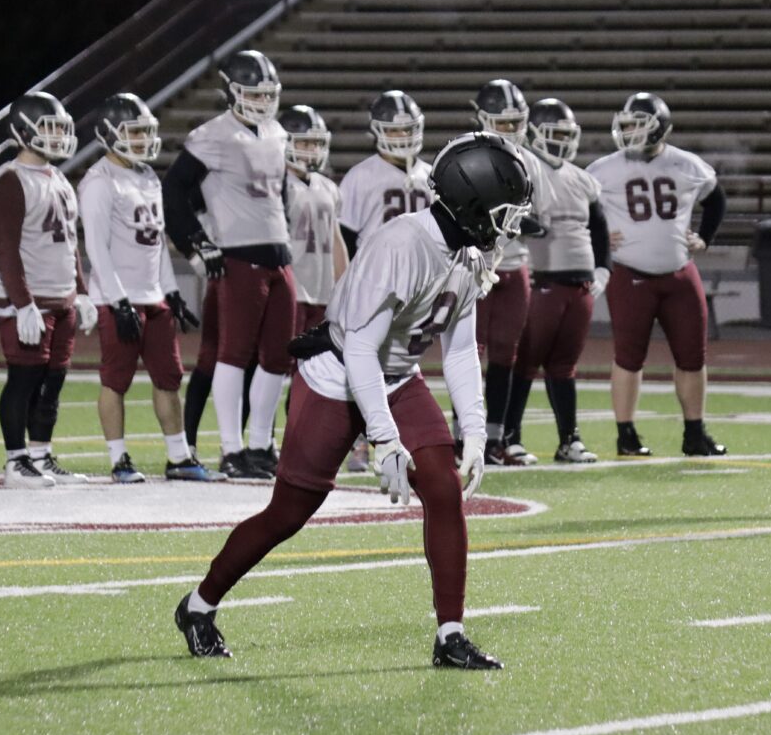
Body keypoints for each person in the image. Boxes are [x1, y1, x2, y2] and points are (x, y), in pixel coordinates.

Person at [173, 132, 532, 668]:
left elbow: (459, 350)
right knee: (289, 513)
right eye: (505, 213)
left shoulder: (465, 253)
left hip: (397, 374)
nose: (511, 227)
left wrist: (475, 431)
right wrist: (384, 439)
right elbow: (361, 348)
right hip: (339, 372)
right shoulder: (403, 244)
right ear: (475, 204)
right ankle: (199, 605)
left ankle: (451, 635)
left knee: (443, 487)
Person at [78, 93, 224, 484]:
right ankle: (119, 459)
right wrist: (119, 301)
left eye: (145, 132)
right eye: (134, 132)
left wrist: (170, 291)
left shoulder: (146, 176)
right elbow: (96, 248)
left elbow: (156, 243)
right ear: (109, 133)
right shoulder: (99, 181)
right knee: (116, 381)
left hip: (153, 297)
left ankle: (179, 457)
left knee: (169, 378)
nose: (143, 140)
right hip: (118, 298)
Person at [163, 50, 295, 480]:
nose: (262, 101)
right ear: (231, 92)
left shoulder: (276, 132)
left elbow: (280, 195)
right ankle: (231, 448)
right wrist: (196, 243)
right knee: (234, 355)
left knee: (277, 357)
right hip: (239, 257)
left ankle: (260, 445)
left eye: (267, 94)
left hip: (280, 256)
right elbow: (173, 191)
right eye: (253, 93)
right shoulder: (212, 135)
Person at [586, 92, 728, 458]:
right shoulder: (603, 168)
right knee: (628, 357)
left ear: (659, 127)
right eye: (627, 125)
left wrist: (705, 238)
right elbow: (578, 208)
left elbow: (716, 198)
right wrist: (597, 239)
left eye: (638, 125)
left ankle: (695, 433)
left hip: (679, 273)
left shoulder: (686, 163)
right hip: (629, 273)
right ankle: (626, 434)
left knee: (693, 356)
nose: (629, 132)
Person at [0, 91, 97, 488]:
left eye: (61, 128)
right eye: (49, 128)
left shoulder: (59, 178)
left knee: (53, 382)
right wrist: (22, 303)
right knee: (24, 378)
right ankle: (16, 461)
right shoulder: (10, 181)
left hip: (61, 297)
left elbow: (70, 243)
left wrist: (81, 291)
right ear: (22, 130)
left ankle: (40, 455)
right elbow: (5, 249)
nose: (58, 136)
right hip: (29, 301)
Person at [502, 99, 609, 463]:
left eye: (567, 134)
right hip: (541, 279)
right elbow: (511, 219)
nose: (562, 141)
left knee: (565, 365)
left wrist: (603, 268)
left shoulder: (582, 178)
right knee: (526, 361)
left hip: (580, 284)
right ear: (535, 133)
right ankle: (510, 436)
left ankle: (569, 440)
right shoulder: (525, 169)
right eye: (556, 134)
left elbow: (600, 228)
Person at [337, 89, 432, 471]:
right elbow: (343, 239)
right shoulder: (361, 176)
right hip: (373, 286)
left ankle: (396, 438)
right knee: (365, 363)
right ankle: (359, 442)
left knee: (402, 365)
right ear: (376, 131)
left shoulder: (430, 175)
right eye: (394, 130)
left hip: (417, 289)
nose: (402, 137)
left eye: (408, 129)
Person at [468, 79, 551, 465]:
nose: (509, 129)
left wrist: (517, 223)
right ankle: (463, 435)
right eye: (502, 122)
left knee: (505, 355)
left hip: (514, 266)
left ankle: (494, 437)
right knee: (468, 353)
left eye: (515, 122)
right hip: (473, 265)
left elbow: (541, 219)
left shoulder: (529, 161)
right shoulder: (466, 155)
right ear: (482, 119)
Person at [278, 105, 348, 337]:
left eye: (317, 143)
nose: (313, 150)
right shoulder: (277, 185)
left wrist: (345, 285)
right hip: (289, 290)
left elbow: (336, 241)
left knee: (320, 358)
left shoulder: (328, 187)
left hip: (323, 291)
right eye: (305, 143)